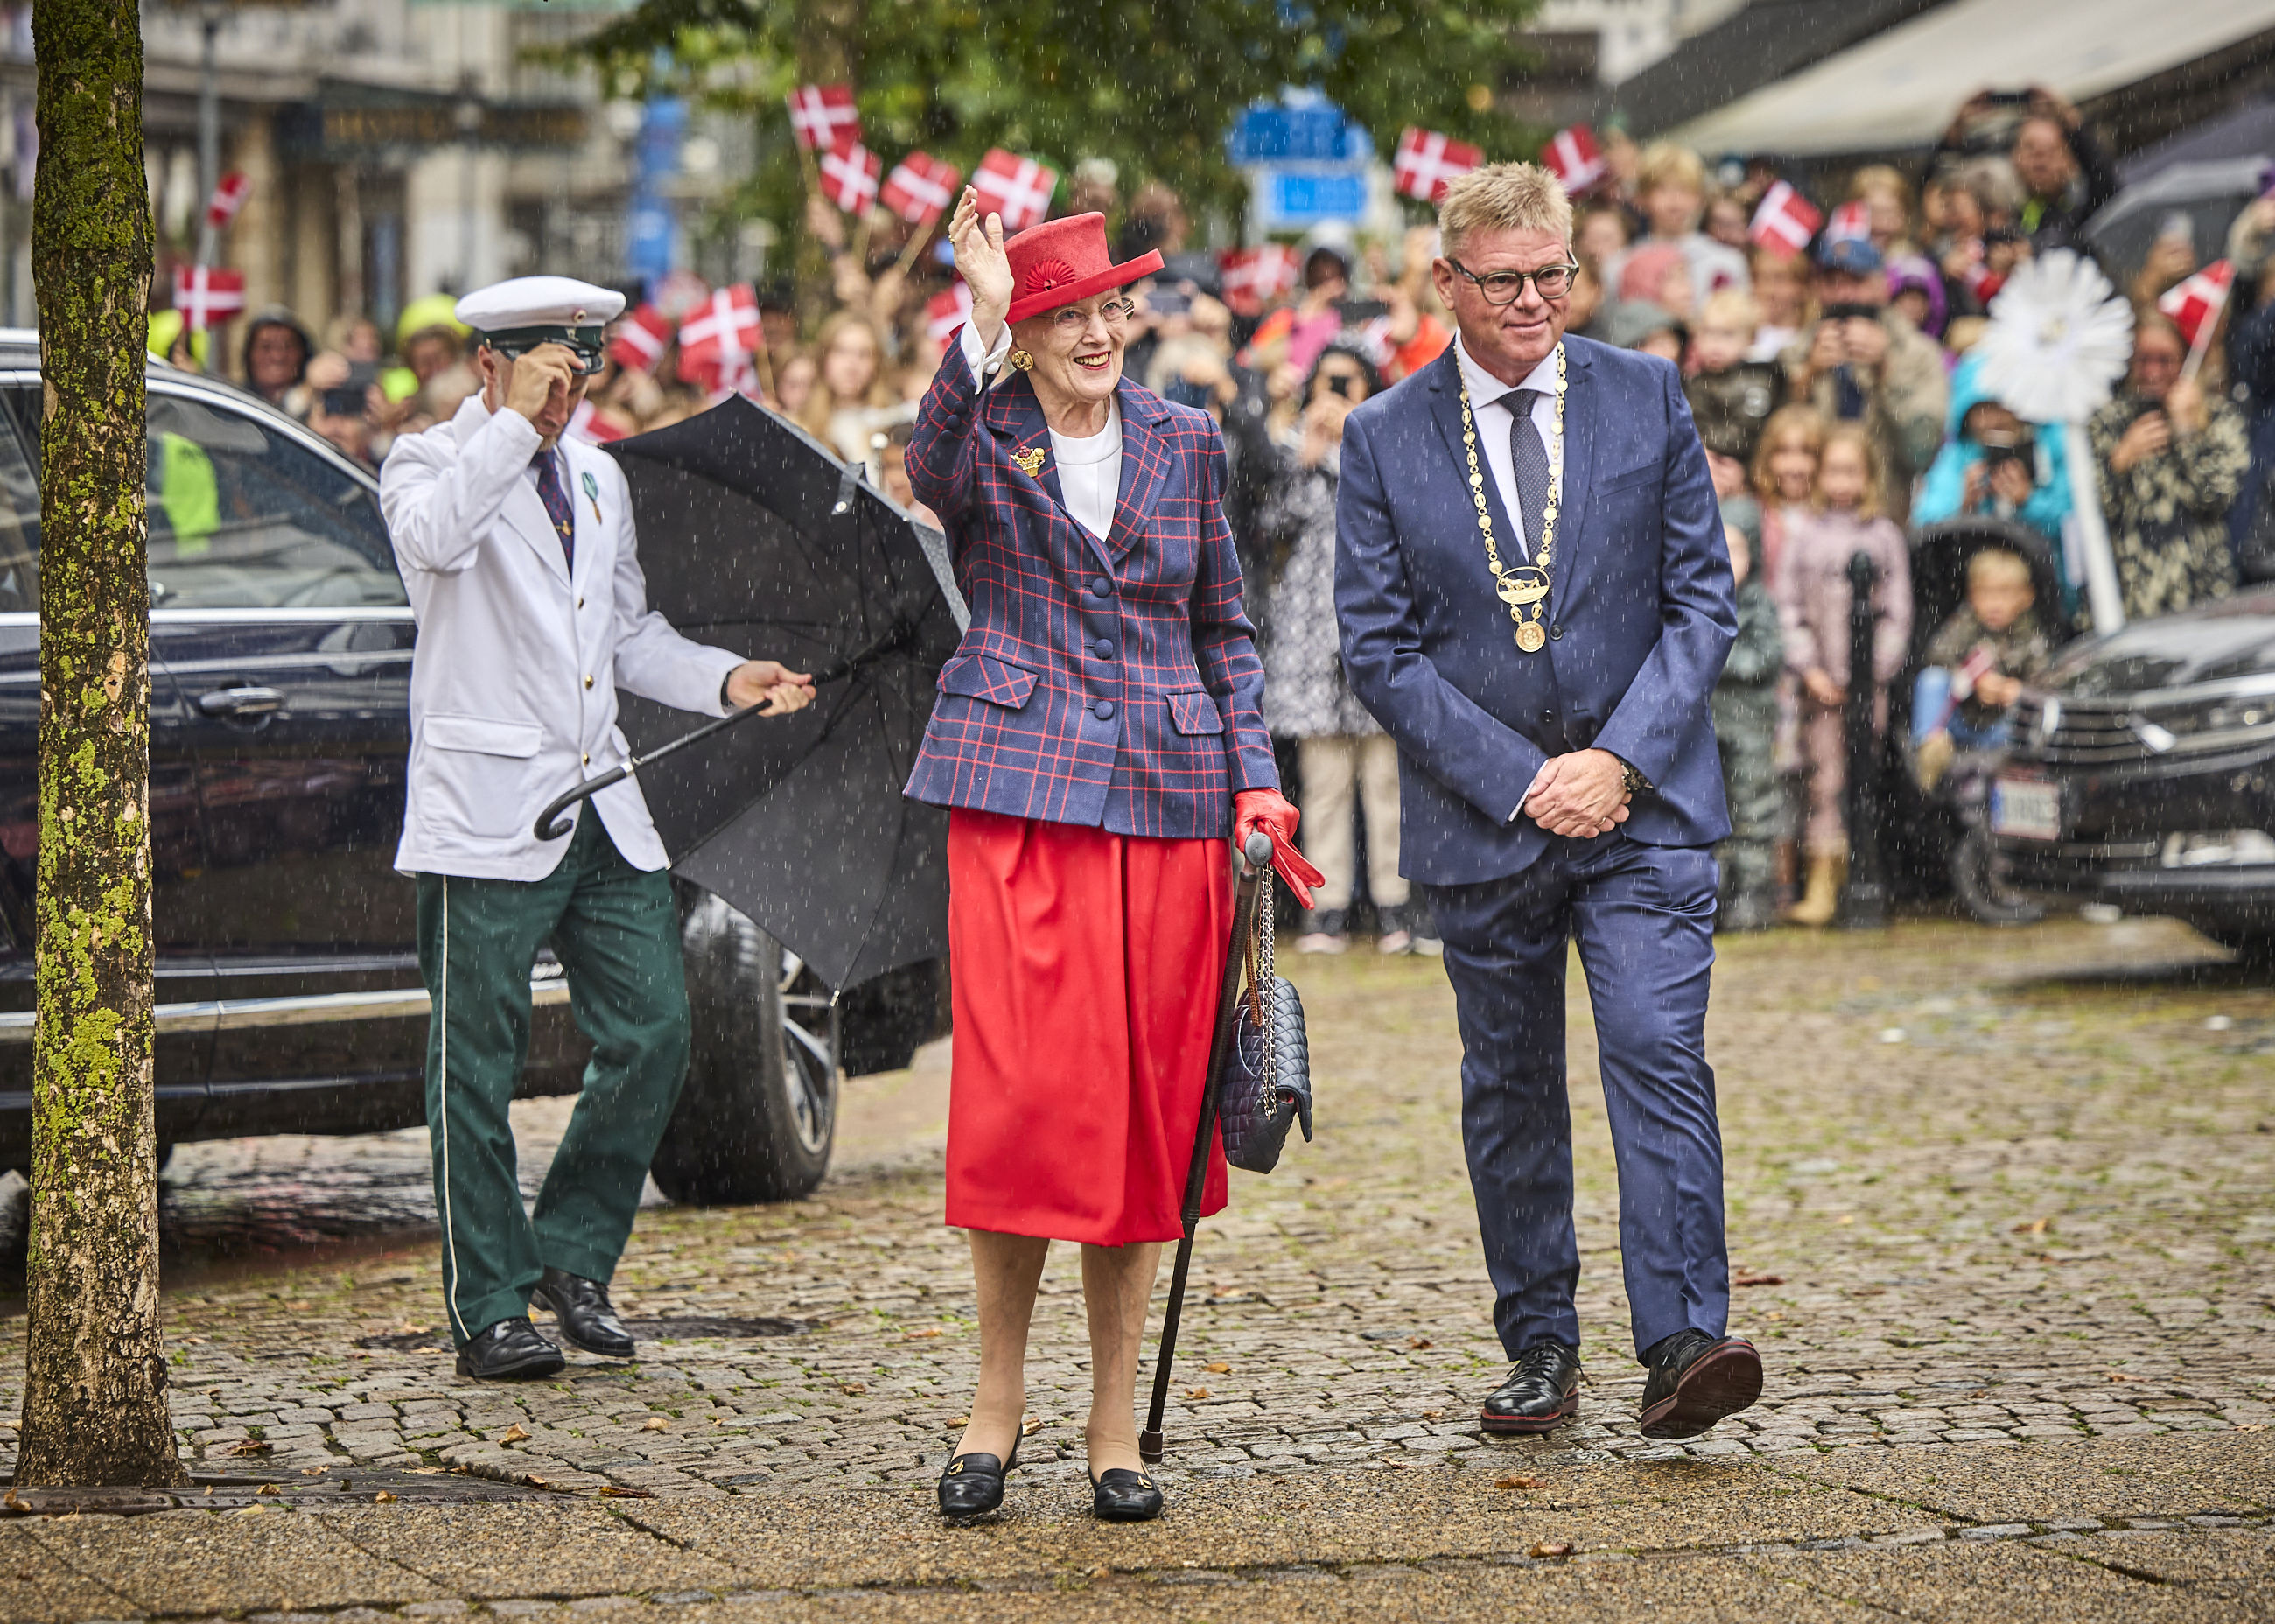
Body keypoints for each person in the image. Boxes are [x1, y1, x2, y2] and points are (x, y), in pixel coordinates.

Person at [907, 193, 1320, 1524]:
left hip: (1170, 796)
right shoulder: (986, 432)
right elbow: (930, 468)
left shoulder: (1189, 439)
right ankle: (994, 1403)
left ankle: (1111, 1426)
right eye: (1064, 314)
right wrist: (976, 317)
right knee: (1025, 1107)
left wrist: (1257, 779)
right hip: (1022, 802)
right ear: (1021, 331)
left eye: (1109, 308)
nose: (1096, 332)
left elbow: (1227, 626)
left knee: (1145, 1119)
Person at [1336, 162, 1760, 1444]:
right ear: (1447, 283)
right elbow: (1379, 649)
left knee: (1652, 1047)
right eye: (1505, 280)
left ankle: (1684, 1338)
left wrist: (1618, 760)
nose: (1533, 301)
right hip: (1487, 823)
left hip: (1645, 808)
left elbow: (1703, 604)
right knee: (1511, 1086)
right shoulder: (1385, 435)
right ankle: (1540, 1343)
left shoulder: (1645, 396)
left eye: (1553, 276)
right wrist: (1523, 777)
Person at [378, 276, 816, 1381]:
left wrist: (726, 680)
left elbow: (625, 635)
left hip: (601, 805)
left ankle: (572, 1252)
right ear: (490, 362)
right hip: (483, 813)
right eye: (548, 374)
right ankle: (488, 1302)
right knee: (471, 1069)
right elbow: (432, 548)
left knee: (658, 1029)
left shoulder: (598, 475)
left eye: (582, 375)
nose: (568, 395)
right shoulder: (428, 462)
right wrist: (509, 431)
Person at [1259, 341, 1422, 956]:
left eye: (1349, 382)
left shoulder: (1388, 442)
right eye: (1327, 382)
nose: (1336, 394)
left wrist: (1347, 445)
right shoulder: (1289, 446)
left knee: (1386, 782)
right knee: (1323, 782)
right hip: (1309, 634)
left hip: (1378, 626)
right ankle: (1325, 910)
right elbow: (1270, 524)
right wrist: (1305, 457)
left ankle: (1394, 908)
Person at [1774, 424, 1910, 928]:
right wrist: (1810, 669)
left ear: (1869, 476)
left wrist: (1869, 672)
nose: (1841, 480)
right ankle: (1824, 881)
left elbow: (1898, 614)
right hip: (1819, 689)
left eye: (1852, 470)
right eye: (1833, 469)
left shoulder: (1883, 537)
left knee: (1865, 774)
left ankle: (1867, 871)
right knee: (1824, 779)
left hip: (1864, 688)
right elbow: (1787, 608)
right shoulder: (1805, 536)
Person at [2088, 312, 2250, 621]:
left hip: (2203, 594)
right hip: (2131, 597)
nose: (2152, 372)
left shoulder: (2219, 417)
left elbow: (2216, 499)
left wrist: (2187, 431)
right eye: (2143, 360)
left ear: (2186, 361)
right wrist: (2121, 460)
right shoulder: (2107, 421)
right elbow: (2088, 512)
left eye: (2165, 360)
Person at [1780, 236, 1947, 522]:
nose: (1843, 295)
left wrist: (1886, 372)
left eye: (1855, 282)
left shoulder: (1919, 354)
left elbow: (1921, 451)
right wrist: (1808, 376)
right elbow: (1771, 446)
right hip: (1809, 517)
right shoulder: (1795, 351)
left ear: (1882, 286)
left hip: (1886, 511)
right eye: (1832, 283)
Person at [1912, 547, 2052, 791]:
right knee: (1931, 680)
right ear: (1972, 596)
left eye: (2004, 594)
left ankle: (2017, 761)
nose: (1994, 604)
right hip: (1960, 722)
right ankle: (1930, 744)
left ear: (2025, 597)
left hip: (2002, 729)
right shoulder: (1965, 623)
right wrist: (1972, 679)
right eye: (1985, 594)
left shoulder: (2031, 636)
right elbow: (1936, 655)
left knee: (2032, 705)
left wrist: (2013, 691)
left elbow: (2046, 681)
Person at [1712, 500, 1782, 931]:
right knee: (1711, 810)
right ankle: (1717, 894)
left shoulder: (1757, 603)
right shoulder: (1696, 600)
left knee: (1754, 811)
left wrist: (1717, 655)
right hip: (1708, 728)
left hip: (1750, 727)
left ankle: (1754, 893)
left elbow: (1763, 658)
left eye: (1736, 549)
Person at [1631, 142, 1748, 297]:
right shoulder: (1623, 265)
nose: (1674, 201)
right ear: (1642, 198)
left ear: (1700, 198)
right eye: (1662, 189)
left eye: (1684, 189)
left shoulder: (1729, 262)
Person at [242, 310, 312, 409]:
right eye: (266, 347)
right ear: (249, 354)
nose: (277, 356)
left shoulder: (318, 403)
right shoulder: (234, 407)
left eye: (287, 346)